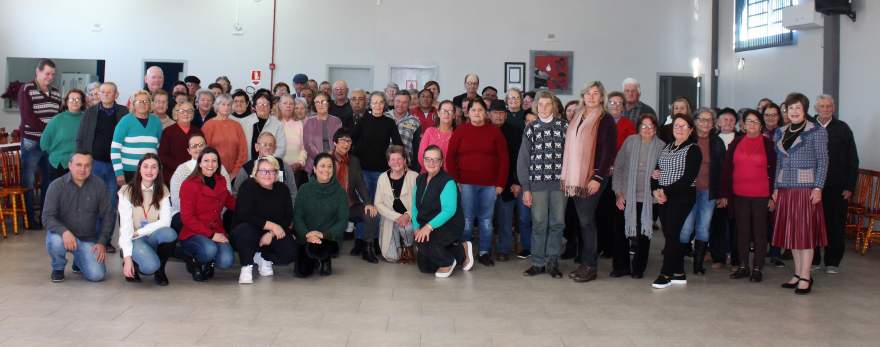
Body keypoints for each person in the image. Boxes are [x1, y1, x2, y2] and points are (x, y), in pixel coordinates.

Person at [773, 93, 829, 295]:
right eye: (790, 108)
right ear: (785, 111)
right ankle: (797, 273)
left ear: (805, 110)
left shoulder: (816, 131)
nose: (794, 112)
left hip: (806, 189)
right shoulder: (780, 132)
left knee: (805, 235)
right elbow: (778, 162)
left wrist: (818, 187)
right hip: (785, 188)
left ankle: (806, 276)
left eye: (798, 108)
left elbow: (823, 161)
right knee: (793, 235)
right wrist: (776, 189)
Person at [562, 81, 618, 283]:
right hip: (576, 177)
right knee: (583, 221)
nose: (591, 97)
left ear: (602, 97)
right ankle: (585, 262)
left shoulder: (605, 119)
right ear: (583, 96)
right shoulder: (578, 116)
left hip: (592, 177)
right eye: (588, 93)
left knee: (586, 221)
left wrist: (598, 177)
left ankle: (590, 266)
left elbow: (608, 152)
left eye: (596, 94)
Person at [446, 96, 509, 266]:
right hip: (465, 184)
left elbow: (504, 160)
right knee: (466, 220)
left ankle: (484, 252)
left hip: (489, 186)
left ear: (486, 113)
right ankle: (465, 253)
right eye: (473, 110)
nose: (477, 113)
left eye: (480, 110)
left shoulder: (495, 132)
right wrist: (455, 181)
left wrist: (500, 184)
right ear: (468, 113)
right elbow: (450, 158)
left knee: (486, 220)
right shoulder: (460, 131)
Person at [719, 109, 776, 282]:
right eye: (748, 121)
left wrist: (773, 196)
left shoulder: (768, 144)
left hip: (761, 196)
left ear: (761, 126)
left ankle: (758, 267)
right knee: (742, 232)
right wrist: (725, 194)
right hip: (739, 195)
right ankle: (743, 266)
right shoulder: (735, 143)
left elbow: (774, 170)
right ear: (743, 125)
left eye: (755, 122)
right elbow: (727, 170)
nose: (751, 125)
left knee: (759, 233)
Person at [518, 90, 568, 278]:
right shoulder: (531, 128)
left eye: (548, 104)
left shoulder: (564, 127)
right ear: (535, 107)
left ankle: (552, 262)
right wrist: (526, 188)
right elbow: (523, 160)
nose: (544, 108)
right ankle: (538, 262)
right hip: (537, 185)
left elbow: (570, 156)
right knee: (539, 223)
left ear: (554, 107)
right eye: (540, 105)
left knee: (557, 223)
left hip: (559, 185)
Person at [43, 151, 114, 282]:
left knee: (97, 275)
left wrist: (102, 242)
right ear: (70, 165)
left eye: (87, 165)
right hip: (62, 236)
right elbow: (47, 217)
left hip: (88, 238)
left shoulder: (99, 185)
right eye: (78, 165)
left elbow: (108, 215)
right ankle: (58, 267)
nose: (83, 169)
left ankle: (79, 260)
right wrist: (64, 232)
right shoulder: (56, 186)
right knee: (55, 241)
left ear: (91, 167)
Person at [651, 114, 702, 289]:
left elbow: (688, 178)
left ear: (691, 130)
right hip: (663, 196)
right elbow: (657, 172)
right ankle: (679, 272)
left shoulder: (693, 149)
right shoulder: (667, 147)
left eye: (683, 126)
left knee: (672, 235)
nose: (679, 129)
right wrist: (656, 188)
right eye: (676, 126)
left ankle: (665, 273)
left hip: (682, 197)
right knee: (670, 234)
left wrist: (665, 191)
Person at [76, 82, 128, 252]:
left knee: (111, 204)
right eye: (102, 92)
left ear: (116, 94)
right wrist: (80, 162)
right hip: (95, 164)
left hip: (116, 165)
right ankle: (93, 237)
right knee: (93, 202)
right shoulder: (90, 113)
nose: (105, 94)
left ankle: (105, 240)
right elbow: (81, 138)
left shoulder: (124, 113)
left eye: (109, 92)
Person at [611, 114, 665, 279]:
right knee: (620, 232)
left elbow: (666, 173)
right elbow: (618, 168)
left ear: (655, 129)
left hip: (648, 199)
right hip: (626, 194)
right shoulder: (630, 142)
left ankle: (638, 268)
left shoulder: (662, 146)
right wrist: (618, 193)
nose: (647, 129)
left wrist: (660, 174)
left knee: (643, 235)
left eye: (650, 126)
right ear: (639, 127)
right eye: (644, 126)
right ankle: (621, 267)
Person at [231, 156, 298, 284]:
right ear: (255, 172)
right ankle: (246, 266)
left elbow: (287, 217)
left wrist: (271, 234)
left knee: (290, 251)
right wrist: (272, 226)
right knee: (246, 232)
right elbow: (244, 215)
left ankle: (263, 256)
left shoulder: (282, 189)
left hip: (270, 233)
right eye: (263, 171)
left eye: (272, 171)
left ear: (277, 173)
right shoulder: (248, 186)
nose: (267, 174)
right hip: (247, 229)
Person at [812, 94, 859, 274]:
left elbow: (852, 159)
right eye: (822, 106)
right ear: (816, 109)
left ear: (833, 108)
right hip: (812, 186)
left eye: (829, 106)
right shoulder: (809, 128)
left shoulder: (843, 129)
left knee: (835, 225)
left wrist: (849, 186)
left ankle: (833, 261)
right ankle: (814, 259)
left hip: (837, 187)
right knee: (813, 224)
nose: (826, 109)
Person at [412, 145, 474, 277]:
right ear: (423, 160)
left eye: (435, 160)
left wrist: (428, 227)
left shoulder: (448, 181)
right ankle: (461, 250)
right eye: (428, 159)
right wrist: (416, 227)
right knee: (425, 267)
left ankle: (447, 262)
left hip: (449, 224)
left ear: (441, 162)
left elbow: (449, 210)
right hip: (428, 224)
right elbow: (414, 206)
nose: (431, 163)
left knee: (424, 241)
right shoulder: (419, 179)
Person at [117, 153, 177, 285]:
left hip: (148, 234)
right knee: (150, 266)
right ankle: (133, 261)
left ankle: (160, 269)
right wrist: (127, 258)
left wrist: (141, 231)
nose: (149, 171)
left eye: (154, 167)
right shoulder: (126, 191)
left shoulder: (162, 189)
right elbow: (126, 226)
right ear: (139, 169)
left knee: (170, 233)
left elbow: (166, 221)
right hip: (133, 238)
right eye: (146, 166)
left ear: (158, 170)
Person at [178, 147, 236, 282]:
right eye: (206, 161)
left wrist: (250, 205)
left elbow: (230, 202)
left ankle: (209, 262)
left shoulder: (221, 181)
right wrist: (212, 235)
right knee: (209, 249)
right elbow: (187, 218)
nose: (210, 165)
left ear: (218, 163)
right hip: (194, 232)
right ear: (199, 163)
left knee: (226, 261)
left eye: (214, 161)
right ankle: (193, 260)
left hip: (216, 229)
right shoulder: (189, 184)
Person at [681, 107, 725, 274]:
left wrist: (722, 194)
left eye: (709, 120)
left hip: (709, 191)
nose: (706, 123)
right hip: (688, 191)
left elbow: (722, 170)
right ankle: (677, 259)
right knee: (686, 227)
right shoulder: (687, 139)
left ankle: (698, 265)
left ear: (713, 124)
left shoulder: (717, 142)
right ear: (695, 121)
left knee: (703, 227)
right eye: (702, 119)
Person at [19, 58, 62, 229]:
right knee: (28, 181)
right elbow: (28, 117)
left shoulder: (57, 93)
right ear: (38, 72)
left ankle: (45, 217)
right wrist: (49, 130)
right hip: (32, 141)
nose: (50, 77)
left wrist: (53, 133)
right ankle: (29, 219)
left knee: (49, 181)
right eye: (47, 74)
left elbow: (58, 118)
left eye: (52, 74)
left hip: (50, 145)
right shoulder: (26, 89)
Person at [293, 153, 349, 277]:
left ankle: (325, 258)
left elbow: (342, 221)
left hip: (329, 238)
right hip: (307, 236)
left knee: (319, 250)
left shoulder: (340, 192)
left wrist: (323, 234)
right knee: (302, 273)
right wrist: (307, 234)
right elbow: (297, 217)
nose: (326, 170)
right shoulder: (304, 189)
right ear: (314, 169)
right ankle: (314, 259)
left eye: (330, 166)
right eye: (322, 166)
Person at [331, 129, 380, 263]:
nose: (346, 144)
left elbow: (361, 184)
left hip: (350, 204)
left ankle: (367, 248)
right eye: (342, 140)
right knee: (332, 250)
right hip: (331, 206)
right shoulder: (327, 159)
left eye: (349, 141)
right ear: (335, 142)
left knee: (370, 213)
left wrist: (368, 203)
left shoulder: (354, 161)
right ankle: (330, 243)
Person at [489, 99, 529, 261]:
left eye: (501, 113)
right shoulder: (485, 130)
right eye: (495, 113)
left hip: (511, 182)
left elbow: (519, 160)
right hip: (489, 183)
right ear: (489, 115)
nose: (498, 116)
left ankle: (504, 249)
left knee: (508, 218)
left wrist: (517, 181)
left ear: (506, 115)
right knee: (490, 219)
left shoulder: (515, 131)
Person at [352, 91, 403, 199]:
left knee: (380, 201)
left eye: (380, 102)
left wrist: (397, 161)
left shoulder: (389, 122)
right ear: (370, 104)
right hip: (364, 169)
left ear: (384, 104)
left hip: (382, 169)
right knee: (366, 202)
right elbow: (352, 140)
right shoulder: (363, 121)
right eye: (374, 103)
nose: (377, 106)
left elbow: (398, 144)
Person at [375, 146, 419, 262]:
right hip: (391, 219)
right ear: (388, 162)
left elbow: (419, 201)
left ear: (405, 160)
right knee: (392, 257)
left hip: (411, 219)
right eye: (393, 160)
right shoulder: (382, 178)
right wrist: (397, 217)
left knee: (407, 227)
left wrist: (408, 215)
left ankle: (409, 247)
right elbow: (378, 204)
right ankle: (401, 246)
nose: (396, 162)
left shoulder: (414, 176)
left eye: (399, 159)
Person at [169, 134, 231, 217]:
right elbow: (176, 199)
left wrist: (213, 212)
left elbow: (227, 193)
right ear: (188, 150)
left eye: (201, 145)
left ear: (206, 146)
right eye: (194, 146)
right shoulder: (181, 170)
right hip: (186, 215)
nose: (198, 148)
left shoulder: (219, 167)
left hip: (216, 214)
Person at [111, 90, 163, 184]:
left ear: (150, 104)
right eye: (139, 101)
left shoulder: (156, 122)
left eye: (146, 101)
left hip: (150, 172)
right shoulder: (125, 121)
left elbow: (159, 147)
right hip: (128, 172)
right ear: (133, 104)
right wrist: (119, 173)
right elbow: (115, 149)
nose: (142, 104)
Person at [232, 133, 297, 203]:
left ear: (275, 149)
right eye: (264, 144)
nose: (268, 147)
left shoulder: (284, 167)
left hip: (280, 209)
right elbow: (236, 194)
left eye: (271, 145)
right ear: (257, 147)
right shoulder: (246, 169)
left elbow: (293, 193)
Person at [41, 88, 85, 181]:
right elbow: (44, 143)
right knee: (58, 194)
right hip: (59, 164)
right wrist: (56, 154)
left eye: (78, 99)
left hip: (81, 164)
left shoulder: (86, 119)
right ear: (66, 102)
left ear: (82, 103)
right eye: (72, 99)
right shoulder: (57, 119)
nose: (75, 102)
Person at [202, 94, 248, 177]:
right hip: (213, 173)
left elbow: (243, 152)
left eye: (229, 105)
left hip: (235, 174)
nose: (226, 107)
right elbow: (204, 151)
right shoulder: (208, 125)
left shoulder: (237, 125)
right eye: (223, 104)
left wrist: (234, 173)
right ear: (217, 106)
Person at [159, 101, 200, 186]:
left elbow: (202, 154)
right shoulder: (168, 132)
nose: (186, 114)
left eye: (189, 111)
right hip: (173, 175)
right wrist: (182, 168)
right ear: (176, 113)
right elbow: (162, 156)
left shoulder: (198, 132)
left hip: (194, 175)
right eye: (182, 111)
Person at [302, 92, 343, 174]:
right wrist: (321, 157)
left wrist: (332, 154)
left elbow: (340, 141)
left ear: (328, 103)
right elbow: (308, 144)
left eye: (323, 102)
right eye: (317, 102)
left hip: (334, 162)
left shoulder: (337, 121)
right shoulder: (309, 122)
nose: (320, 104)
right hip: (314, 163)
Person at [237, 93, 286, 160]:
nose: (262, 107)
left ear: (270, 107)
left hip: (269, 165)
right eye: (259, 104)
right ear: (255, 107)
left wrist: (267, 162)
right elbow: (239, 146)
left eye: (266, 105)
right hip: (247, 164)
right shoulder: (244, 122)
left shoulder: (278, 124)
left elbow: (281, 149)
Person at [385, 91, 422, 170]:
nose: (400, 105)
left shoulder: (415, 121)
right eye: (398, 101)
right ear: (393, 101)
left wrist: (415, 167)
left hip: (404, 165)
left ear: (409, 104)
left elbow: (416, 147)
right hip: (383, 163)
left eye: (404, 102)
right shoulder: (384, 116)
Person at [277, 95, 308, 184]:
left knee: (294, 195)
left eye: (291, 104)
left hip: (296, 170)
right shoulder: (273, 122)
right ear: (279, 105)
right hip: (277, 169)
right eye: (285, 103)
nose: (288, 106)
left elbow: (304, 147)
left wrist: (299, 163)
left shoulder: (299, 124)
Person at [417, 100, 455, 172]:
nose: (446, 114)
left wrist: (442, 175)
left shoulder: (457, 135)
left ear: (454, 115)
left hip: (448, 176)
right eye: (444, 110)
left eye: (450, 111)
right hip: (427, 174)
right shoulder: (429, 131)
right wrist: (432, 170)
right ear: (438, 113)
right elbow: (421, 157)